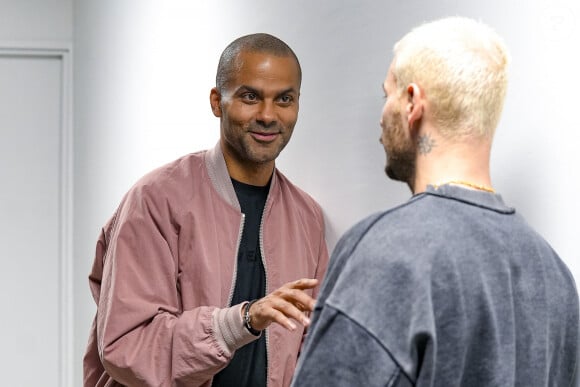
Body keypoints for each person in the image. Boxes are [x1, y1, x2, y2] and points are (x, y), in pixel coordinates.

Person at [291, 16, 578, 387]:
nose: (381, 117)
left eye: (387, 94)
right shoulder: (554, 276)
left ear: (412, 102)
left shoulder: (387, 252)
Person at [83, 33, 329, 387]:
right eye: (250, 96)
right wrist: (242, 321)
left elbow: (309, 348)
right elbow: (126, 345)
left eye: (284, 99)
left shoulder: (307, 218)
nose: (267, 115)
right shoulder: (156, 198)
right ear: (218, 102)